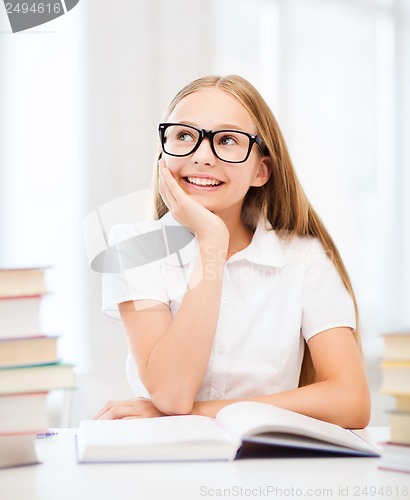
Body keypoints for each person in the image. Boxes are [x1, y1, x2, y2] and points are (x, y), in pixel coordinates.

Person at [95, 75, 370, 428]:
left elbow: (351, 401)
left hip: (266, 466)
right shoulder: (134, 249)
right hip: (164, 464)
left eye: (226, 140)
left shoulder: (305, 258)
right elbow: (171, 392)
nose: (202, 157)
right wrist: (211, 240)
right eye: (184, 136)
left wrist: (201, 412)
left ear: (261, 170)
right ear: (163, 152)